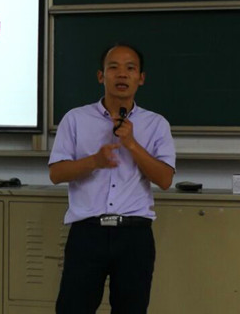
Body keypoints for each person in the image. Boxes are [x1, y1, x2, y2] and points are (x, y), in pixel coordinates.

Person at [48, 43, 176, 314]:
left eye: (130, 68)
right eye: (113, 67)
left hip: (134, 235)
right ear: (100, 75)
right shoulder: (75, 119)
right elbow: (56, 173)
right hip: (87, 233)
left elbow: (165, 179)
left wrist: (132, 144)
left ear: (141, 78)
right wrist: (94, 161)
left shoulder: (156, 124)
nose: (122, 74)